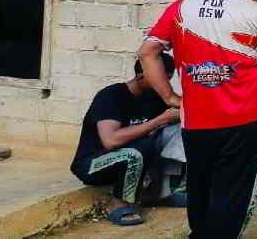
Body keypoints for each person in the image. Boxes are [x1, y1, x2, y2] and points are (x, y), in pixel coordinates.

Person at [138, 0, 257, 239]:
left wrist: (170, 98)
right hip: (247, 114)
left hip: (197, 116)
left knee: (200, 183)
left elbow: (147, 52)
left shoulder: (181, 8)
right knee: (232, 189)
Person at [70, 54, 186, 227]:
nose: (164, 87)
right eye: (160, 81)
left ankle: (159, 192)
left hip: (135, 155)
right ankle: (119, 203)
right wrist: (158, 120)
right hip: (93, 164)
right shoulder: (110, 96)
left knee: (182, 130)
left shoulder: (156, 97)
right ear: (141, 76)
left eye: (167, 81)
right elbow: (110, 140)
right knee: (138, 149)